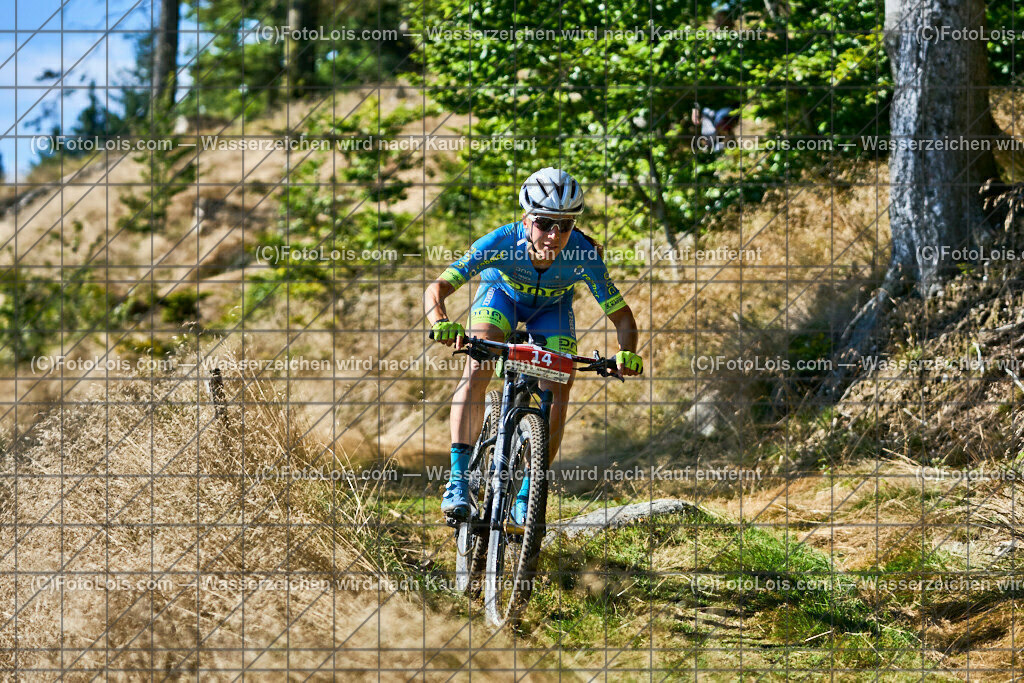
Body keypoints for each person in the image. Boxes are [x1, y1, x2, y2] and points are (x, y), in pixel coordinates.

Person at [424, 167, 643, 524]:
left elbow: (622, 317)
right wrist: (441, 323)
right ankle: (458, 481)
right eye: (544, 223)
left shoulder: (583, 254)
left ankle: (529, 489)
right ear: (526, 220)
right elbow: (436, 289)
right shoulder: (500, 241)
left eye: (566, 225)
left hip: (551, 310)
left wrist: (626, 353)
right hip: (500, 298)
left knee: (559, 387)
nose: (555, 235)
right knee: (477, 366)